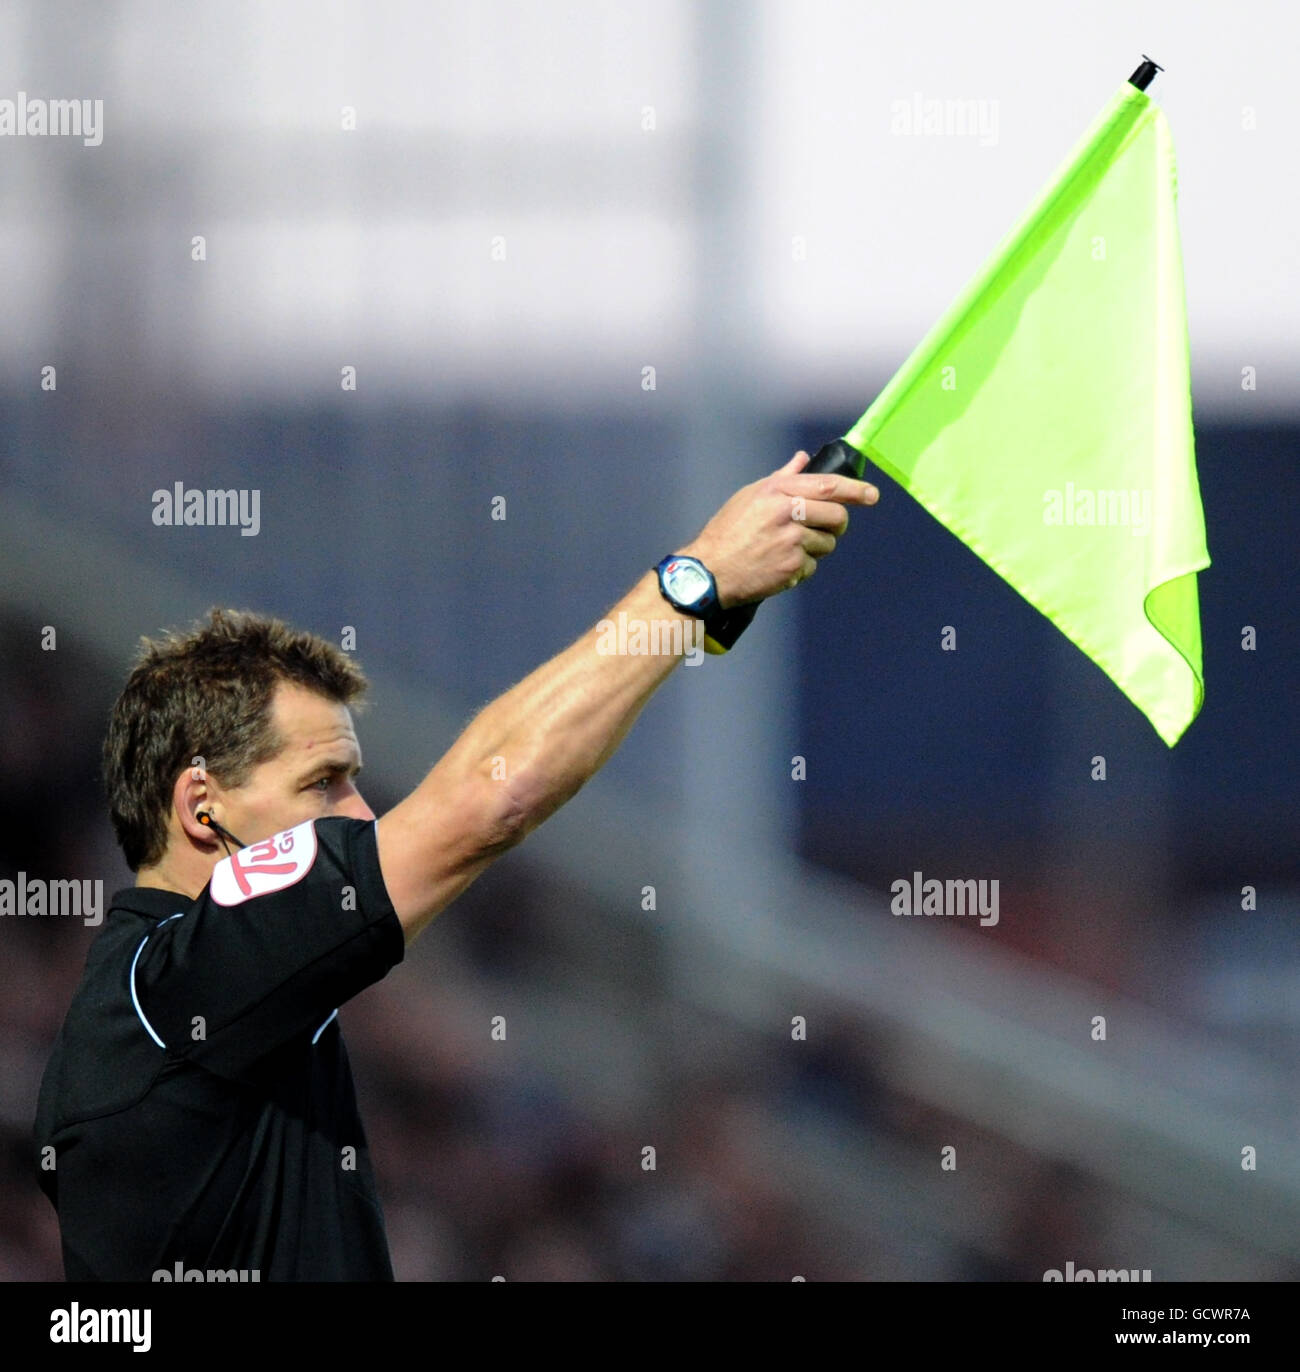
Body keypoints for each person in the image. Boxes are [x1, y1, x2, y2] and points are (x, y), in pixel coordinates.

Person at [33, 450, 878, 1280]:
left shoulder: (187, 1008)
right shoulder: (180, 986)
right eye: (322, 784)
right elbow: (489, 799)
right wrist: (694, 585)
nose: (360, 816)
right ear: (200, 808)